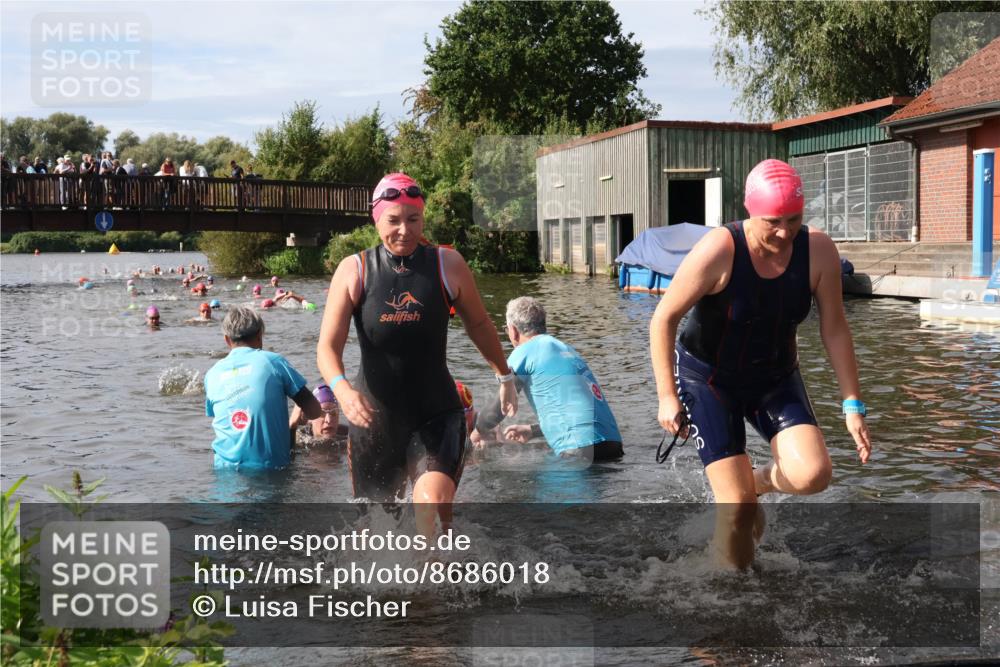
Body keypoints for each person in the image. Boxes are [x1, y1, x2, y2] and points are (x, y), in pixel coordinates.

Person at [649, 158, 872, 567]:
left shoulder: (817, 250)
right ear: (751, 211)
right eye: (773, 221)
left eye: (794, 218)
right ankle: (735, 595)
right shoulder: (720, 248)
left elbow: (835, 328)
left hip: (774, 377)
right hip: (707, 380)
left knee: (813, 475)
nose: (785, 232)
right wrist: (667, 396)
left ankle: (753, 482)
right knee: (737, 510)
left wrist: (852, 403)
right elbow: (663, 319)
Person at [317, 172, 516, 537]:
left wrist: (505, 377)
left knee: (432, 519)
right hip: (373, 423)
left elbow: (480, 325)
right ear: (376, 219)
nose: (404, 230)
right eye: (393, 220)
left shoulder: (447, 264)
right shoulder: (354, 270)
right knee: (375, 537)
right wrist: (343, 391)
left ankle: (440, 591)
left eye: (413, 219)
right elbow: (327, 348)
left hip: (437, 415)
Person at [471, 297, 625, 463]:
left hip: (578, 450)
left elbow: (501, 405)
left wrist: (476, 433)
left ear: (513, 331)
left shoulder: (524, 351)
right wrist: (532, 430)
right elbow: (579, 413)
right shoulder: (567, 350)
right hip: (613, 446)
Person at [204, 307, 322, 470]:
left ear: (226, 339)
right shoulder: (274, 362)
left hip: (224, 470)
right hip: (270, 470)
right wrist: (296, 422)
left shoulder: (212, 374)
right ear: (260, 335)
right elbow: (315, 411)